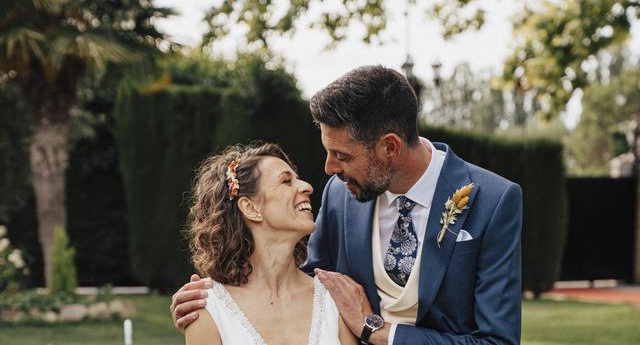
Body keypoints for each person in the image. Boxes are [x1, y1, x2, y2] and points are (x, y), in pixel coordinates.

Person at [172, 66, 522, 345]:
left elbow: (497, 341)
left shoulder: (493, 200)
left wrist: (381, 333)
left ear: (390, 148)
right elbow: (306, 281)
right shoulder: (342, 194)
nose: (328, 169)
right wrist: (216, 305)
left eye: (342, 155)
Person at [182, 142, 356, 345]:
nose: (307, 187)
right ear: (250, 207)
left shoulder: (335, 299)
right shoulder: (207, 309)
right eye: (286, 181)